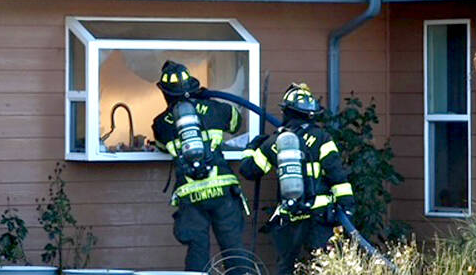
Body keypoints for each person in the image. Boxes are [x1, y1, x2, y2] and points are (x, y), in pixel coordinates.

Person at [239, 83, 355, 275]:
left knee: (286, 268)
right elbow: (337, 175)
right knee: (323, 266)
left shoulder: (274, 141)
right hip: (319, 216)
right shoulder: (322, 138)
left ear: (286, 111)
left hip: (290, 216)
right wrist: (348, 208)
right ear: (311, 113)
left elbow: (249, 170)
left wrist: (253, 145)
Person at [151, 60, 250, 273]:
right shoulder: (215, 108)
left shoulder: (160, 123)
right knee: (233, 248)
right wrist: (208, 100)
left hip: (191, 194)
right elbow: (236, 122)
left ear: (166, 93)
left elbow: (160, 146)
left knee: (197, 251)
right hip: (223, 190)